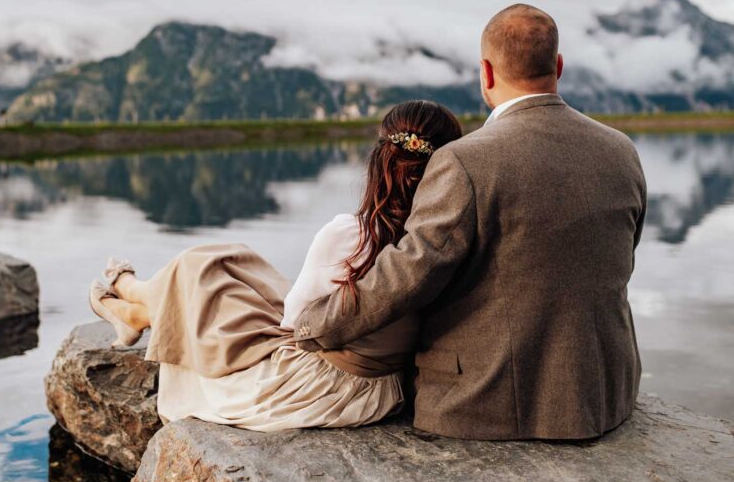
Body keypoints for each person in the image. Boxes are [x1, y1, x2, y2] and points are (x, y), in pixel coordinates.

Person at [293, 4, 647, 440]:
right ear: (557, 66)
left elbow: (407, 275)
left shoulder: (464, 160)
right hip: (606, 392)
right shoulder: (621, 150)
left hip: (492, 403)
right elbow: (619, 258)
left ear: (486, 73)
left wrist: (314, 326)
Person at [88, 100, 463, 431]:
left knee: (203, 270)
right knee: (233, 262)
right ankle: (137, 311)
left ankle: (134, 298)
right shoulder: (443, 238)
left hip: (319, 388)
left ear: (379, 160)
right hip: (384, 388)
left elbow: (294, 323)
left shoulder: (353, 234)